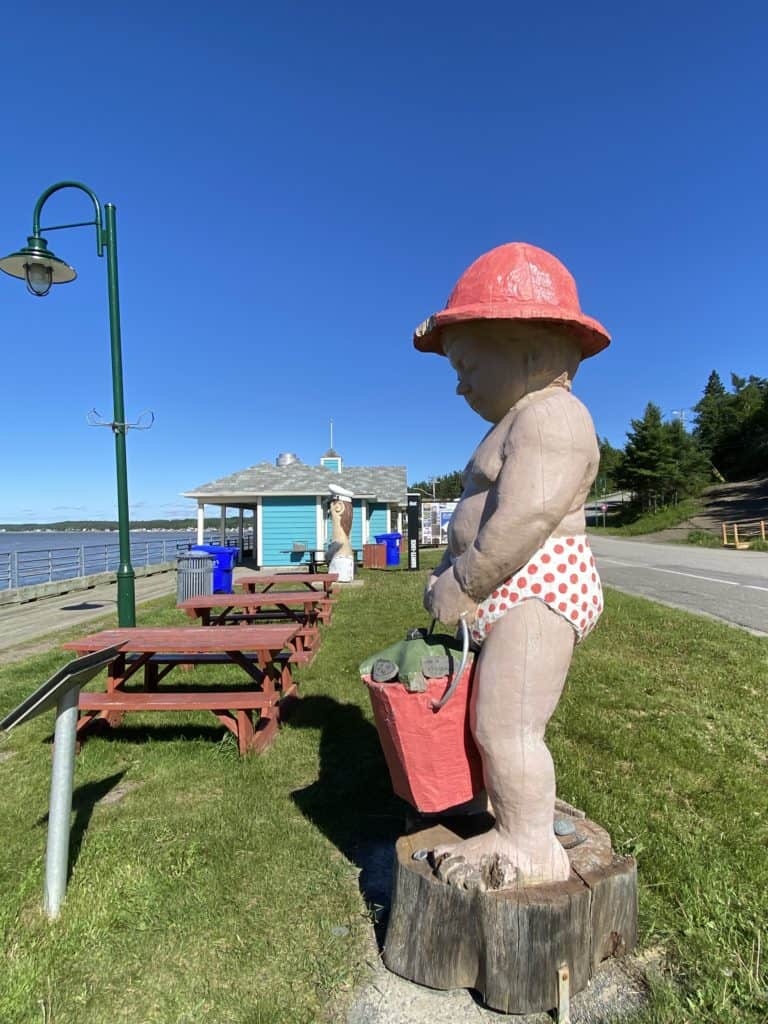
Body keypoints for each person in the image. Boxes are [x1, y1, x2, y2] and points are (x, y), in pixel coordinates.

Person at [416, 242, 610, 890]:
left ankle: (529, 847)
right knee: (491, 714)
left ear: (530, 349)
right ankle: (509, 808)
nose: (460, 382)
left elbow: (525, 518)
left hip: (539, 582)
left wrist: (465, 580)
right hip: (512, 585)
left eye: (470, 363)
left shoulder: (555, 415)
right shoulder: (520, 416)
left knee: (507, 721)